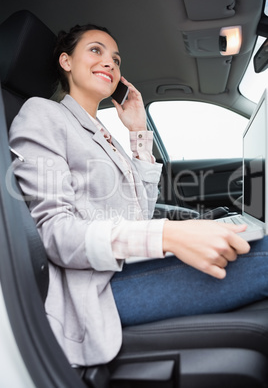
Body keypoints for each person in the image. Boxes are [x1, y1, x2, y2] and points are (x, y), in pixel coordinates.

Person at [9, 23, 268, 367]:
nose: (110, 64)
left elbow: (138, 213)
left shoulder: (105, 136)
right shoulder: (42, 114)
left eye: (116, 59)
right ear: (66, 61)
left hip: (126, 268)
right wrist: (167, 235)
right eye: (96, 51)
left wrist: (138, 130)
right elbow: (56, 233)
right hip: (95, 287)